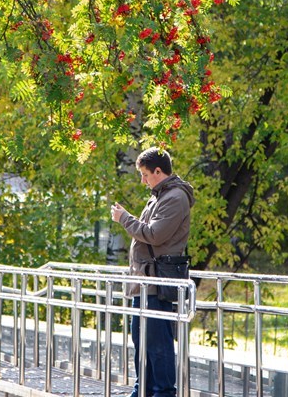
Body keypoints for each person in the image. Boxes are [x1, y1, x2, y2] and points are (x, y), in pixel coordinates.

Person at [111, 147, 195, 397]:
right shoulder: (160, 195)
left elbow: (155, 235)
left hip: (158, 282)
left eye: (145, 175)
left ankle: (163, 393)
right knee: (141, 341)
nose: (143, 180)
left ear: (158, 171)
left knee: (158, 344)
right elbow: (148, 231)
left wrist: (125, 218)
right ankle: (143, 390)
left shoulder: (175, 197)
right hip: (145, 281)